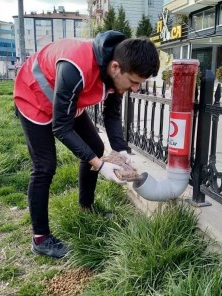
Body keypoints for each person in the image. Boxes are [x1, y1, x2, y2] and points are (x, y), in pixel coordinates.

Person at [13, 30, 160, 259]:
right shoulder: (76, 67)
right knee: (45, 167)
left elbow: (111, 114)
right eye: (133, 82)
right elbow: (61, 128)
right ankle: (40, 239)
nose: (135, 89)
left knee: (95, 146)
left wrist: (121, 150)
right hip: (34, 95)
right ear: (115, 68)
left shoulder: (119, 64)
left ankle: (86, 208)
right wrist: (100, 166)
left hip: (65, 99)